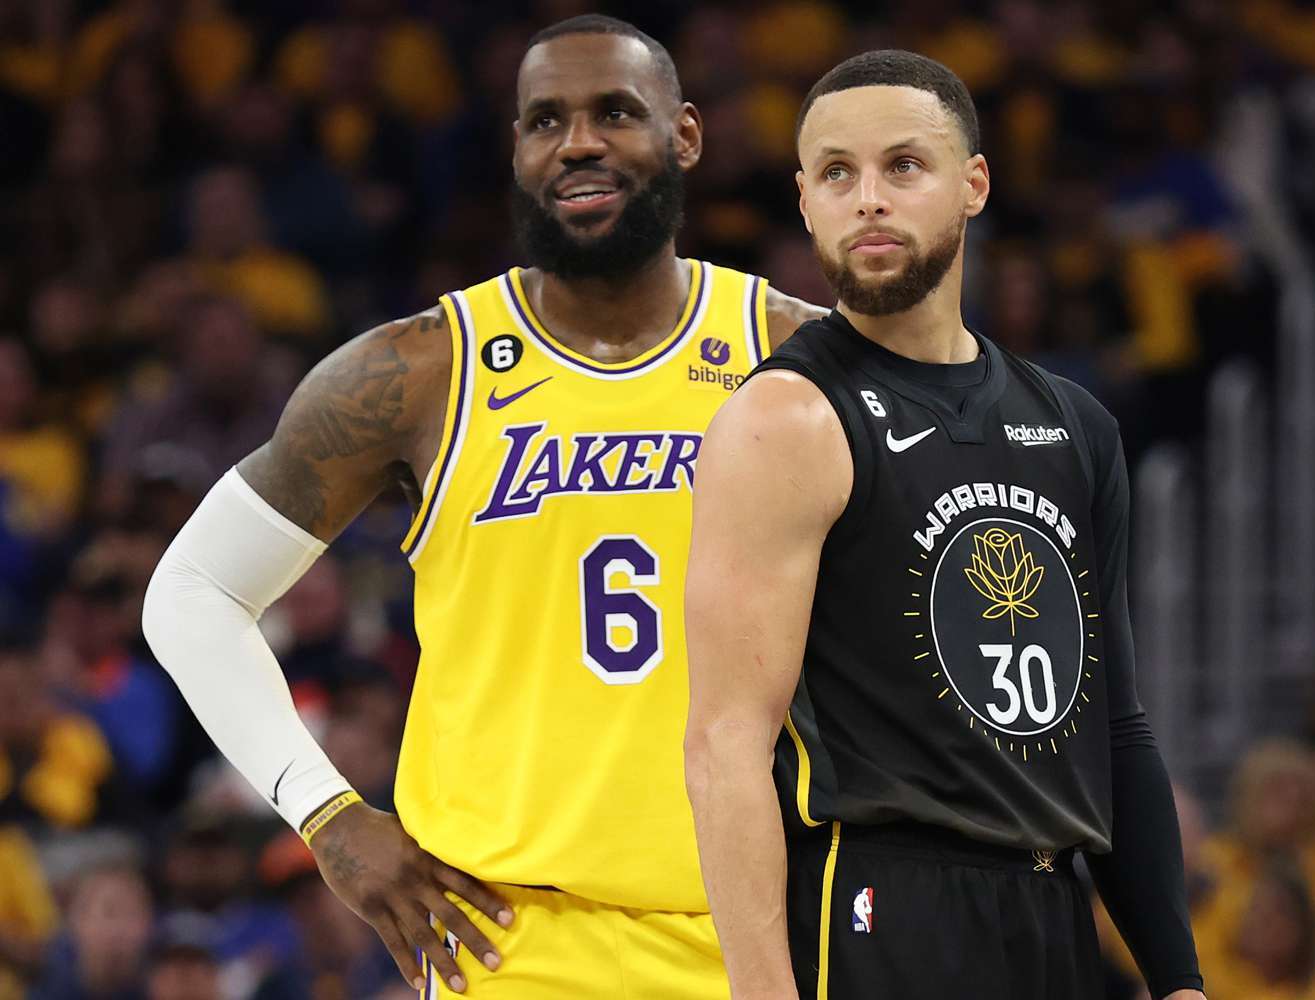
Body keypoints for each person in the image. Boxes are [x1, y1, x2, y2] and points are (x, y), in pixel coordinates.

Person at [142, 15, 820, 999]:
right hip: (505, 947)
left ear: (685, 135)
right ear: (515, 150)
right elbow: (193, 592)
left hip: (757, 935)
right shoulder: (418, 371)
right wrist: (327, 815)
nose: (577, 142)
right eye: (545, 120)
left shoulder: (797, 359)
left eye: (614, 113)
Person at [684, 50, 1204, 999]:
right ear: (804, 202)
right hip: (880, 902)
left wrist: (1178, 978)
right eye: (836, 173)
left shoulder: (1076, 426)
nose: (868, 200)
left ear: (974, 185)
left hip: (1052, 910)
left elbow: (1117, 729)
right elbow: (725, 744)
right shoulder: (786, 417)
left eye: (903, 166)